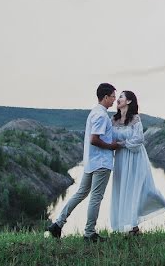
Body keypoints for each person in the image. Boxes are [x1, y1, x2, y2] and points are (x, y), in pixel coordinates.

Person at [46, 82, 123, 242]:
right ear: (106, 96)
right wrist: (112, 146)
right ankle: (89, 233)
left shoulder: (94, 113)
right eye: (113, 97)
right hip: (101, 162)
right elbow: (94, 139)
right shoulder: (101, 115)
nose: (114, 100)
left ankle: (57, 224)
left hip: (91, 162)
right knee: (96, 197)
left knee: (81, 193)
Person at [110, 90, 165, 234]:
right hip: (121, 158)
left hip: (136, 157)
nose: (118, 99)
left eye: (121, 96)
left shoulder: (135, 119)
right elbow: (110, 138)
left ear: (128, 101)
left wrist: (121, 144)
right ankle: (133, 228)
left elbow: (138, 139)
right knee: (124, 190)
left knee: (147, 189)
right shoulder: (113, 120)